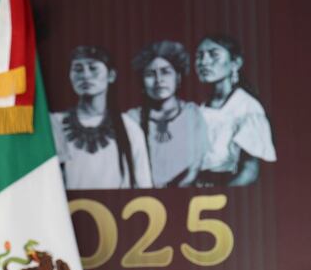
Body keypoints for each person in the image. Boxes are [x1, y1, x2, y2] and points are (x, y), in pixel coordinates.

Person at [52, 45, 152, 189]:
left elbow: (144, 187)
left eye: (93, 68)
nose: (85, 75)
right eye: (78, 69)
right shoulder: (56, 124)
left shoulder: (130, 128)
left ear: (111, 75)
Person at [194, 35, 276, 186]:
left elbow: (249, 172)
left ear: (235, 63)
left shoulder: (247, 107)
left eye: (214, 55)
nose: (204, 62)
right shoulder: (200, 108)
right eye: (199, 56)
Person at [126, 40, 208, 187]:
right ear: (142, 82)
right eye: (151, 74)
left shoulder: (192, 113)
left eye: (165, 72)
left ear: (178, 78)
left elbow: (196, 165)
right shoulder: (131, 118)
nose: (159, 80)